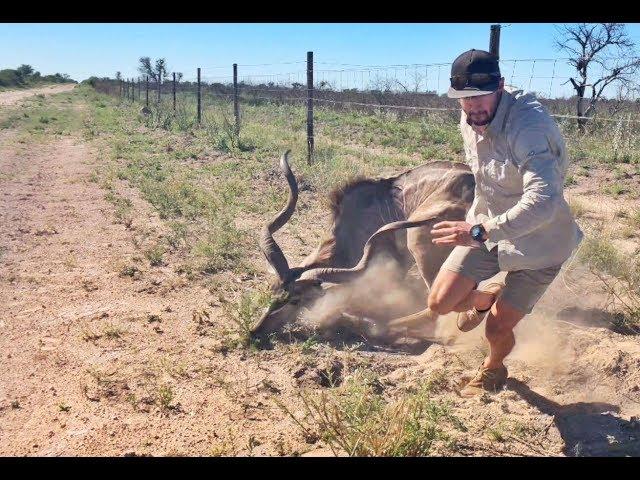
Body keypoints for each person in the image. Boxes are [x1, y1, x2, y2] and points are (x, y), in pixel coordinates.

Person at [428, 49, 583, 397]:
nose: (472, 107)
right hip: (489, 230)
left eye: (480, 97)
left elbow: (544, 200)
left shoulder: (529, 127)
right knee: (440, 303)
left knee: (496, 330)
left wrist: (479, 232)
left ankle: (493, 368)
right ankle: (485, 297)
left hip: (540, 244)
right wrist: (481, 227)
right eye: (464, 99)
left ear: (500, 86)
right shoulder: (471, 116)